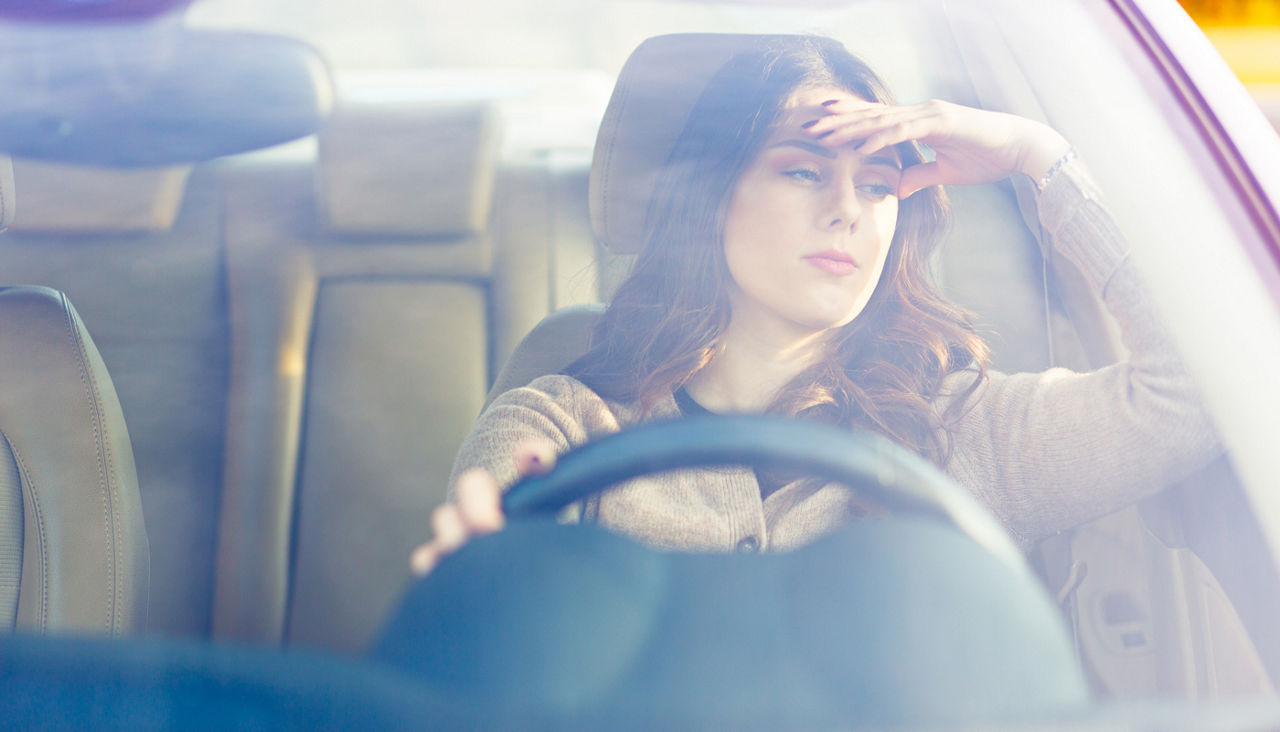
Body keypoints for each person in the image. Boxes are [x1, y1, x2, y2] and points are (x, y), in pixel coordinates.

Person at [409, 34, 1219, 575]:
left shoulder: (965, 432)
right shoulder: (558, 432)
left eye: (877, 182)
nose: (849, 209)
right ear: (709, 196)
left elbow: (1207, 393)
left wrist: (1037, 158)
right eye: (802, 170)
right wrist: (485, 581)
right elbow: (488, 641)